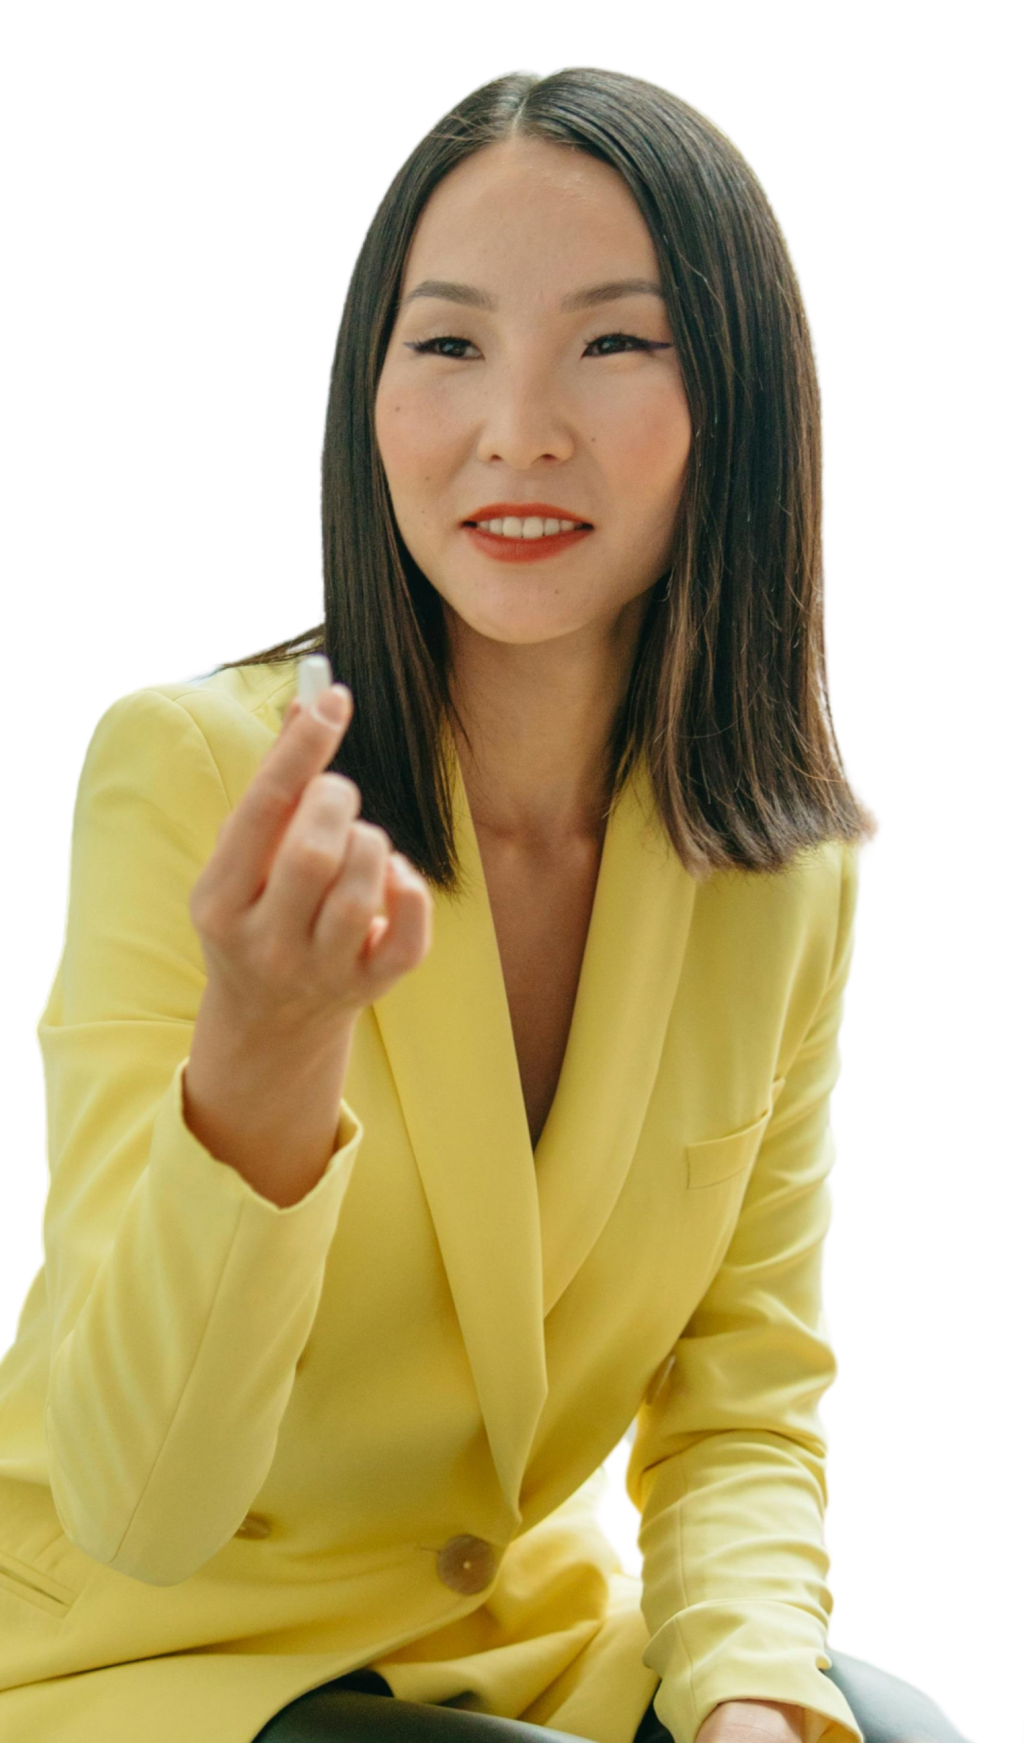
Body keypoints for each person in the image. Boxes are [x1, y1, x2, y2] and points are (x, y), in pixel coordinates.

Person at [2, 63, 972, 1743]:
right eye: (448, 342)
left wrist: (748, 1698)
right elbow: (140, 1501)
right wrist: (262, 1055)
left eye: (615, 342)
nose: (516, 425)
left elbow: (740, 1398)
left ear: (739, 401)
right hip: (167, 1654)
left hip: (523, 1639)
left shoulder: (783, 867)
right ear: (368, 396)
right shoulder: (192, 772)